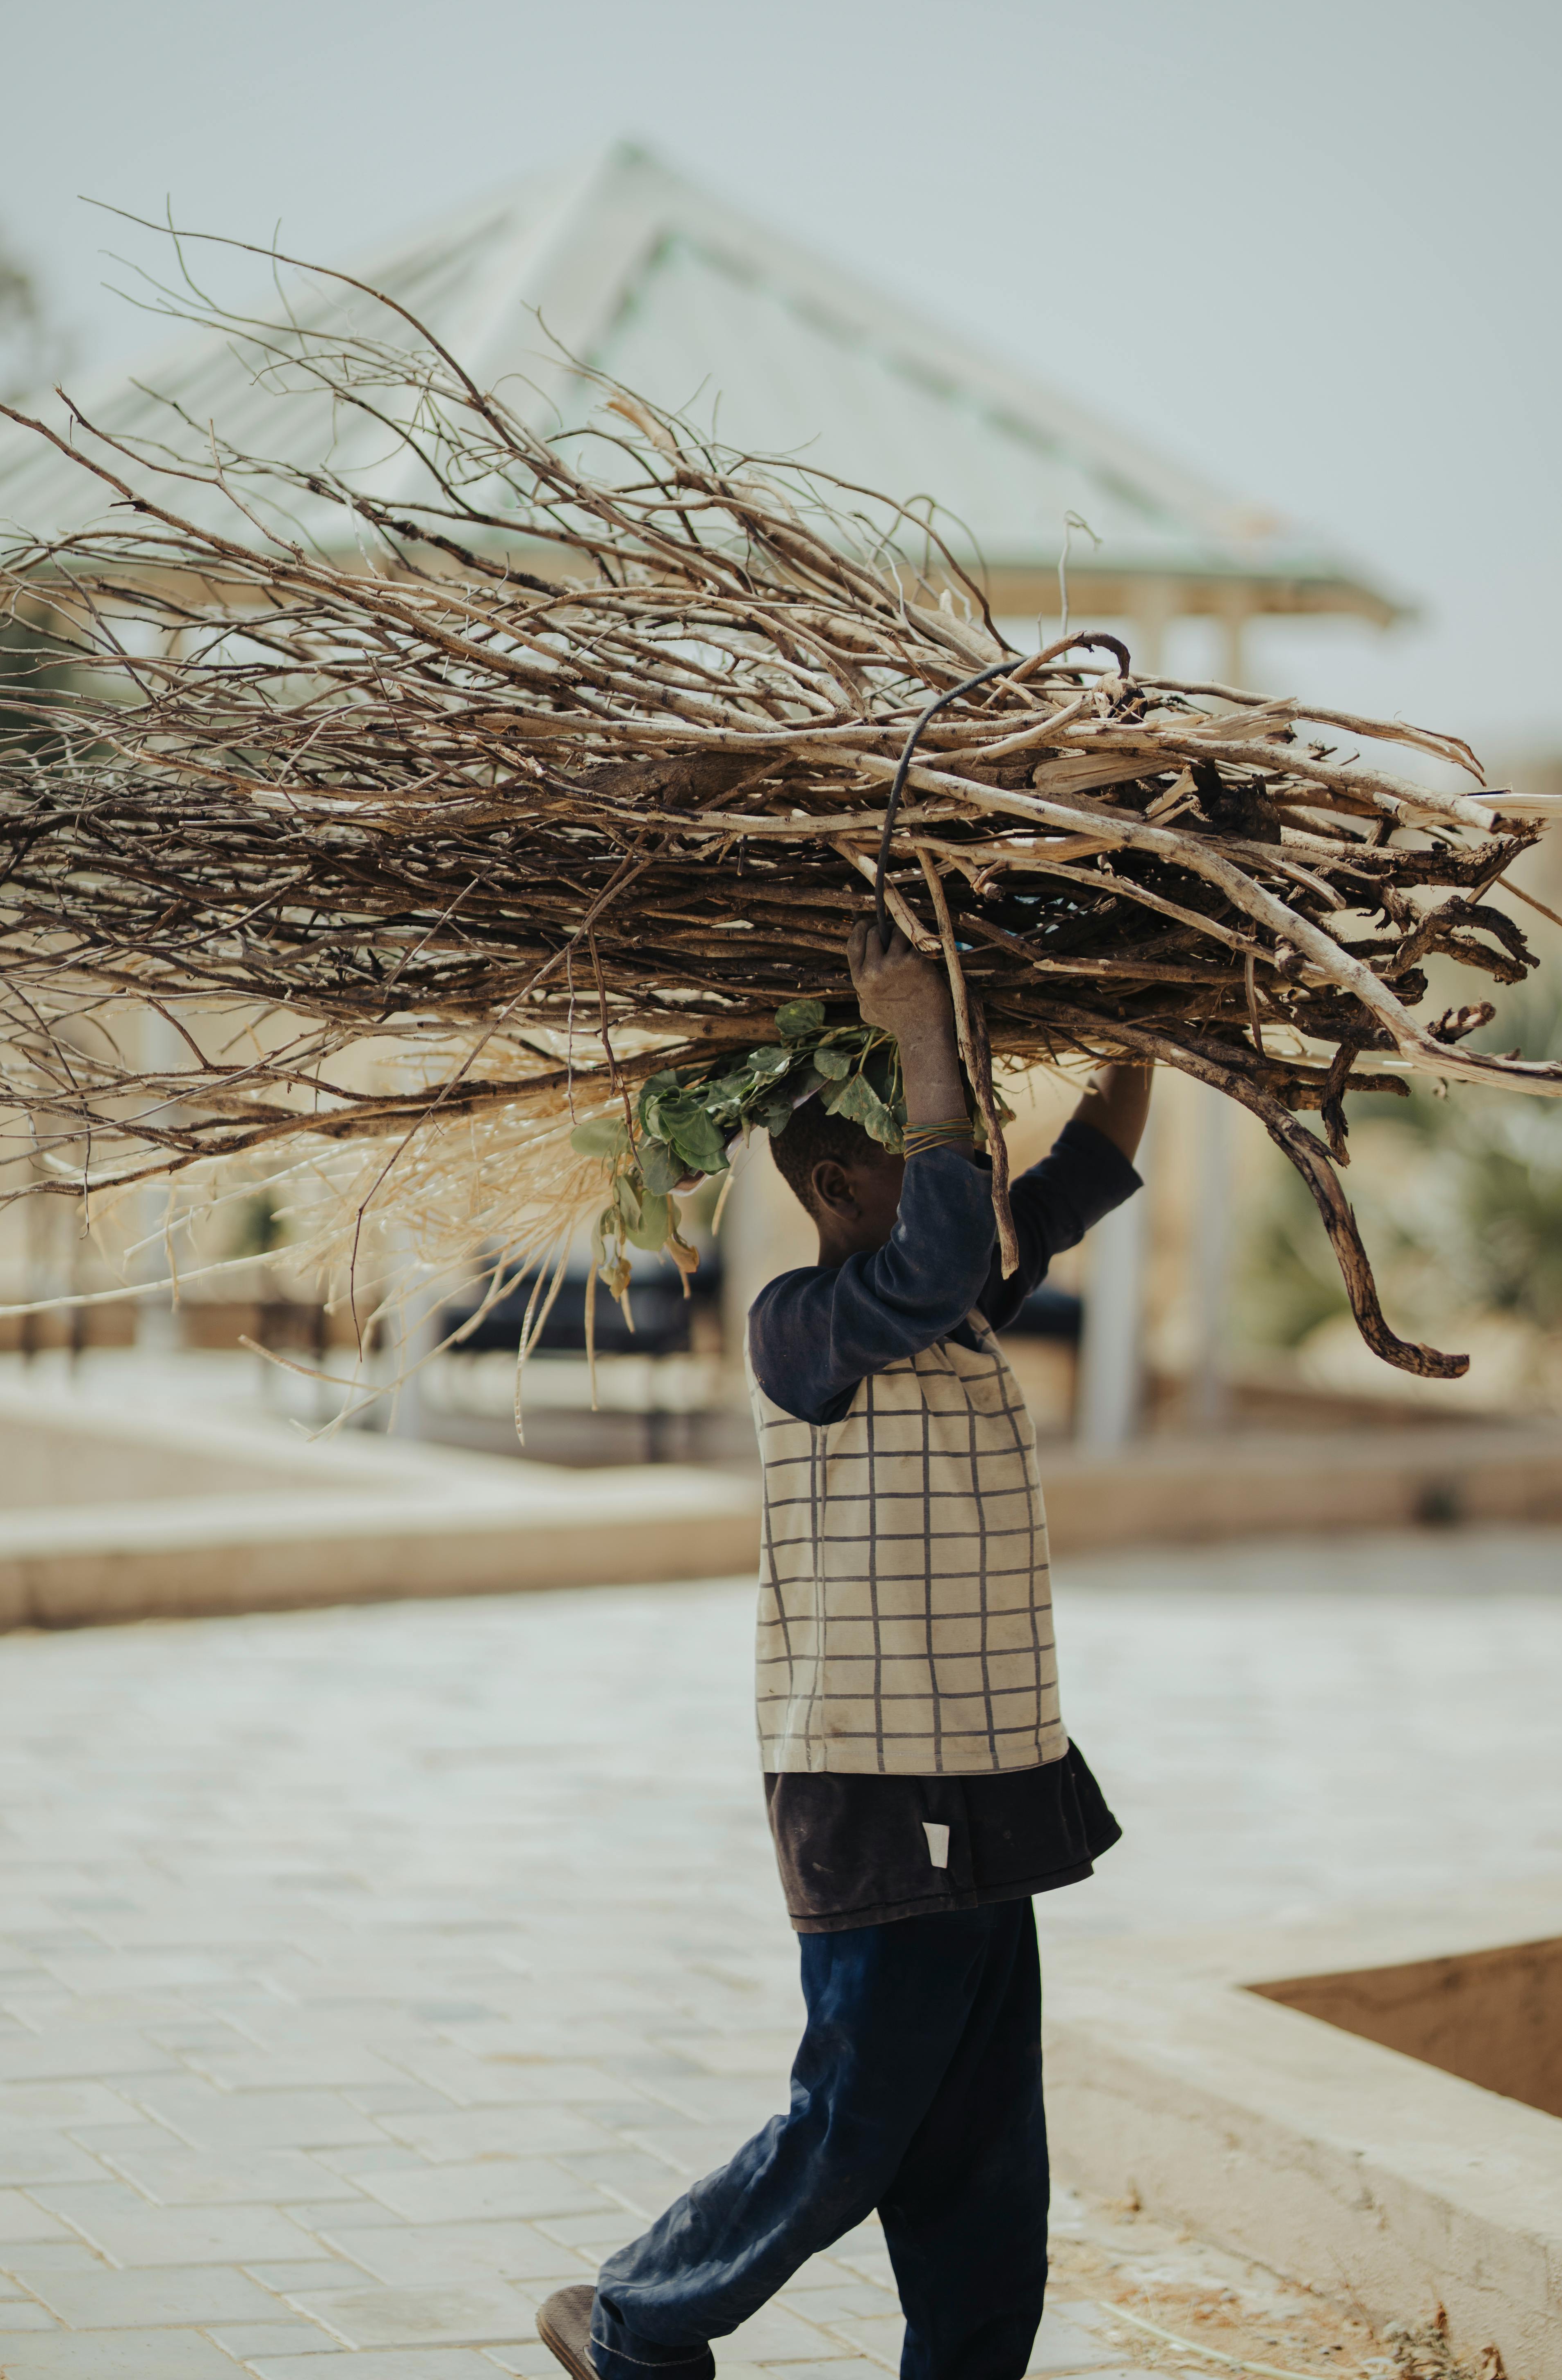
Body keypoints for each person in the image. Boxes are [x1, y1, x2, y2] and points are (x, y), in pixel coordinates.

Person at [538, 920, 1152, 2380]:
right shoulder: (808, 1328)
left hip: (987, 1786)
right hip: (880, 1799)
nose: (978, 1174)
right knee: (855, 2121)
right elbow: (942, 1250)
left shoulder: (952, 1303)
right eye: (933, 1150)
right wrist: (916, 1023)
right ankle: (633, 2316)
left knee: (988, 2148)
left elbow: (1084, 1166)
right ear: (837, 1187)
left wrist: (1150, 1021)